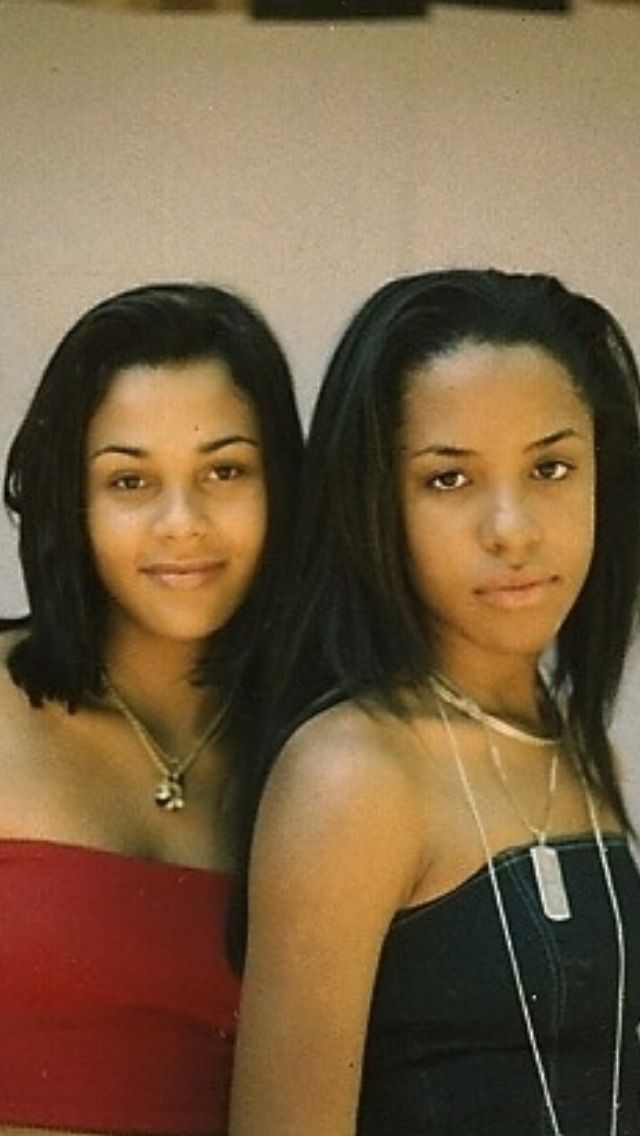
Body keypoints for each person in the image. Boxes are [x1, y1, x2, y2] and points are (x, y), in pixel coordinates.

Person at [229, 269, 640, 1136]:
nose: (514, 527)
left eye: (552, 467)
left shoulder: (566, 742)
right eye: (450, 480)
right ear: (376, 502)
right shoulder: (351, 774)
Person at [0, 281, 303, 1136]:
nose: (183, 523)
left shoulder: (321, 756)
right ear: (71, 499)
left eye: (225, 471)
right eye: (131, 480)